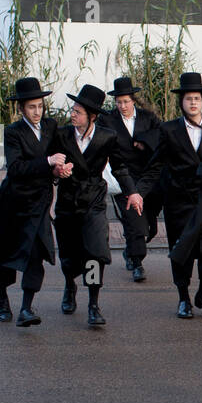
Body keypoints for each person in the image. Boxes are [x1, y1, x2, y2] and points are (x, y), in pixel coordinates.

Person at [136, 72, 202, 319]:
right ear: (182, 102)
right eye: (188, 98)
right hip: (179, 203)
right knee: (182, 254)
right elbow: (155, 166)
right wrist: (138, 193)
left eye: (197, 98)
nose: (193, 102)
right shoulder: (169, 130)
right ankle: (184, 299)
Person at [52, 84, 145, 327]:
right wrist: (57, 170)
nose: (73, 114)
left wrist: (132, 192)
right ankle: (70, 286)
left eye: (79, 111)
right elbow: (51, 166)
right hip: (67, 202)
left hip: (93, 201)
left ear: (92, 116)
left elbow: (120, 168)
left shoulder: (107, 137)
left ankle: (93, 303)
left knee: (95, 254)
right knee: (70, 256)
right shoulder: (61, 135)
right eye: (73, 110)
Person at [0, 77, 68, 326]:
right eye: (31, 107)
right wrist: (47, 163)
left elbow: (60, 155)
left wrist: (61, 169)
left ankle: (26, 307)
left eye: (40, 106)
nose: (37, 112)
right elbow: (15, 168)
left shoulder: (50, 126)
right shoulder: (13, 132)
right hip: (14, 202)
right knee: (10, 252)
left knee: (37, 253)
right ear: (21, 109)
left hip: (40, 202)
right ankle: (2, 297)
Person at [100, 76, 162, 282]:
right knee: (134, 221)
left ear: (133, 100)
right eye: (119, 102)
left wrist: (145, 143)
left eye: (126, 101)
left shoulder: (148, 117)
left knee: (149, 226)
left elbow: (160, 138)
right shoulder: (107, 120)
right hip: (123, 177)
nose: (123, 106)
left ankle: (130, 249)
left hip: (148, 177)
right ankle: (137, 263)